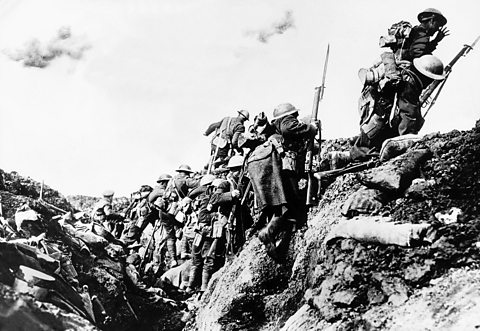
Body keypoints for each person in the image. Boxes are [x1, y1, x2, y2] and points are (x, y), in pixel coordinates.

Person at [348, 54, 446, 163]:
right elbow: (409, 115)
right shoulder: (410, 83)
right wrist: (408, 142)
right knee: (370, 148)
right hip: (375, 113)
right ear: (427, 77)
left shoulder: (406, 70)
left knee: (373, 136)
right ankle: (354, 158)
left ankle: (345, 156)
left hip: (369, 104)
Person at [250, 103, 317, 261]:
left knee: (283, 202)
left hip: (262, 165)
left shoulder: (275, 129)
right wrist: (311, 128)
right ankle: (269, 232)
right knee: (290, 200)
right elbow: (289, 128)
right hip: (274, 163)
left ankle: (279, 234)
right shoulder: (286, 121)